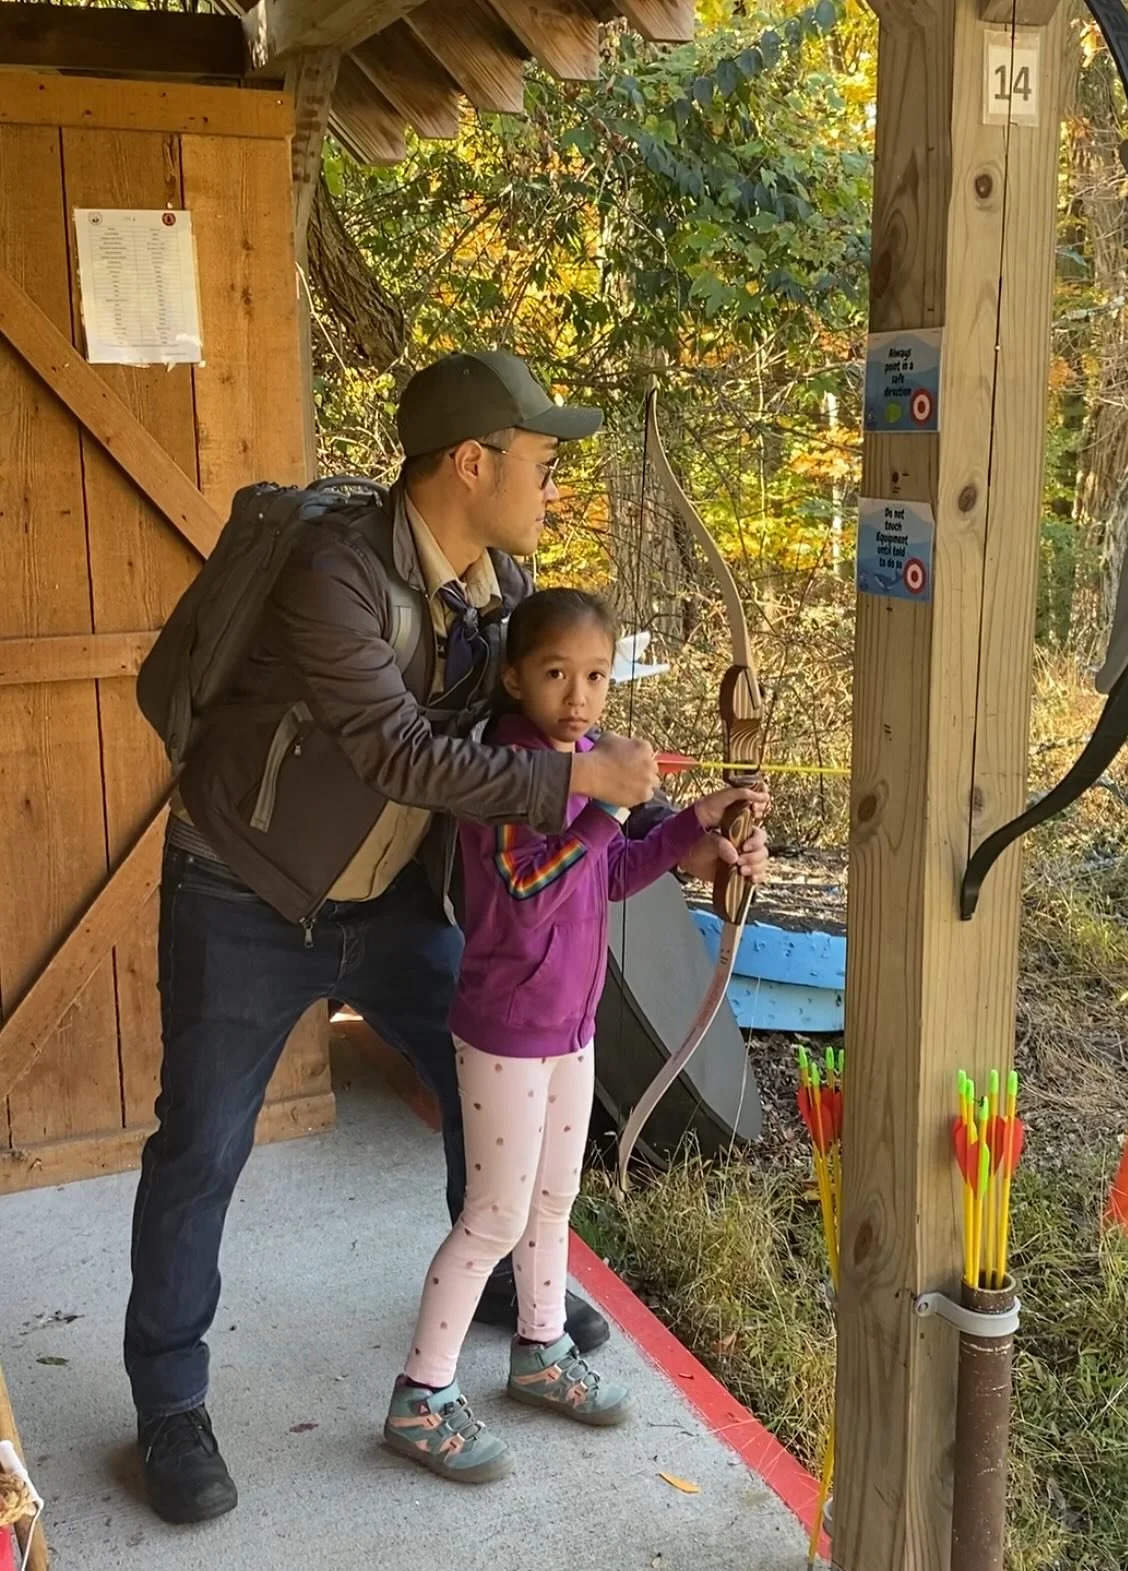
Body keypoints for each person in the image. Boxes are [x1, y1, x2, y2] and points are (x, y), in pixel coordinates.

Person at [124, 349, 771, 1525]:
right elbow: (399, 752)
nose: (552, 484)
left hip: (386, 904)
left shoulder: (498, 579)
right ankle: (169, 1401)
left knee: (491, 1074)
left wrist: (681, 822)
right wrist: (588, 777)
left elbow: (533, 728)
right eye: (540, 460)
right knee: (200, 1145)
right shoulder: (334, 570)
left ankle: (512, 1291)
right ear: (472, 463)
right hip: (244, 894)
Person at [382, 589, 770, 1481]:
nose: (578, 695)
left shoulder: (587, 758)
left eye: (594, 675)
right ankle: (420, 1394)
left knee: (554, 1202)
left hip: (569, 1022)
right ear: (516, 676)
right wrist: (602, 806)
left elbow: (612, 872)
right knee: (493, 1215)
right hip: (508, 1028)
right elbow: (528, 885)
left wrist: (696, 825)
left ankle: (540, 1348)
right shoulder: (510, 768)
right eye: (556, 673)